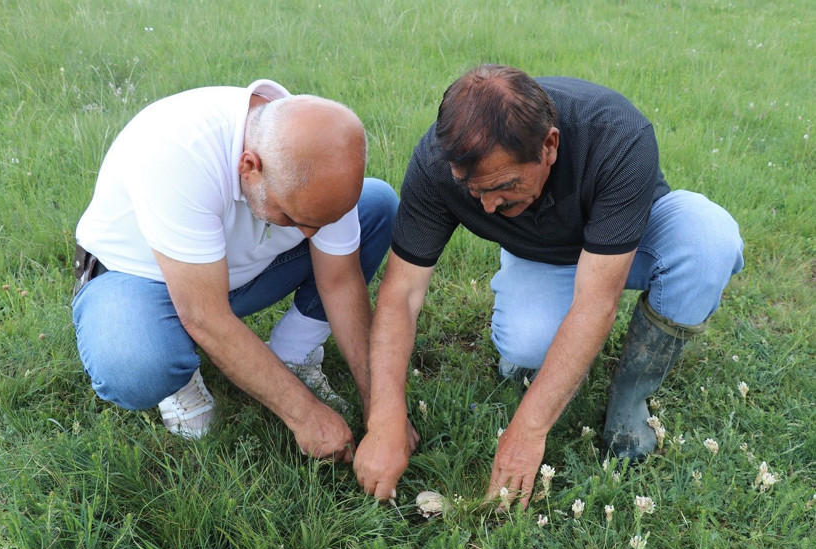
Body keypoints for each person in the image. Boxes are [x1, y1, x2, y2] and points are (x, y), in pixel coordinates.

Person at [354, 65, 744, 506]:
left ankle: (630, 398)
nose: (486, 205)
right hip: (543, 254)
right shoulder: (438, 163)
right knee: (525, 346)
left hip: (631, 244)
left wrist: (528, 430)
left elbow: (597, 301)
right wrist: (383, 420)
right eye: (471, 189)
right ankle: (536, 348)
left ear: (550, 146)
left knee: (709, 240)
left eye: (503, 186)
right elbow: (401, 294)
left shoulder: (616, 134)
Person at [72, 79, 401, 462]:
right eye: (294, 219)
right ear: (250, 167)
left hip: (234, 274)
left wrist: (380, 411)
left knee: (376, 205)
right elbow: (205, 315)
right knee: (137, 367)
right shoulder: (179, 153)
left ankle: (293, 351)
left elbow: (341, 281)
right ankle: (175, 371)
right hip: (140, 280)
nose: (310, 234)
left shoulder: (315, 155)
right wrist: (307, 416)